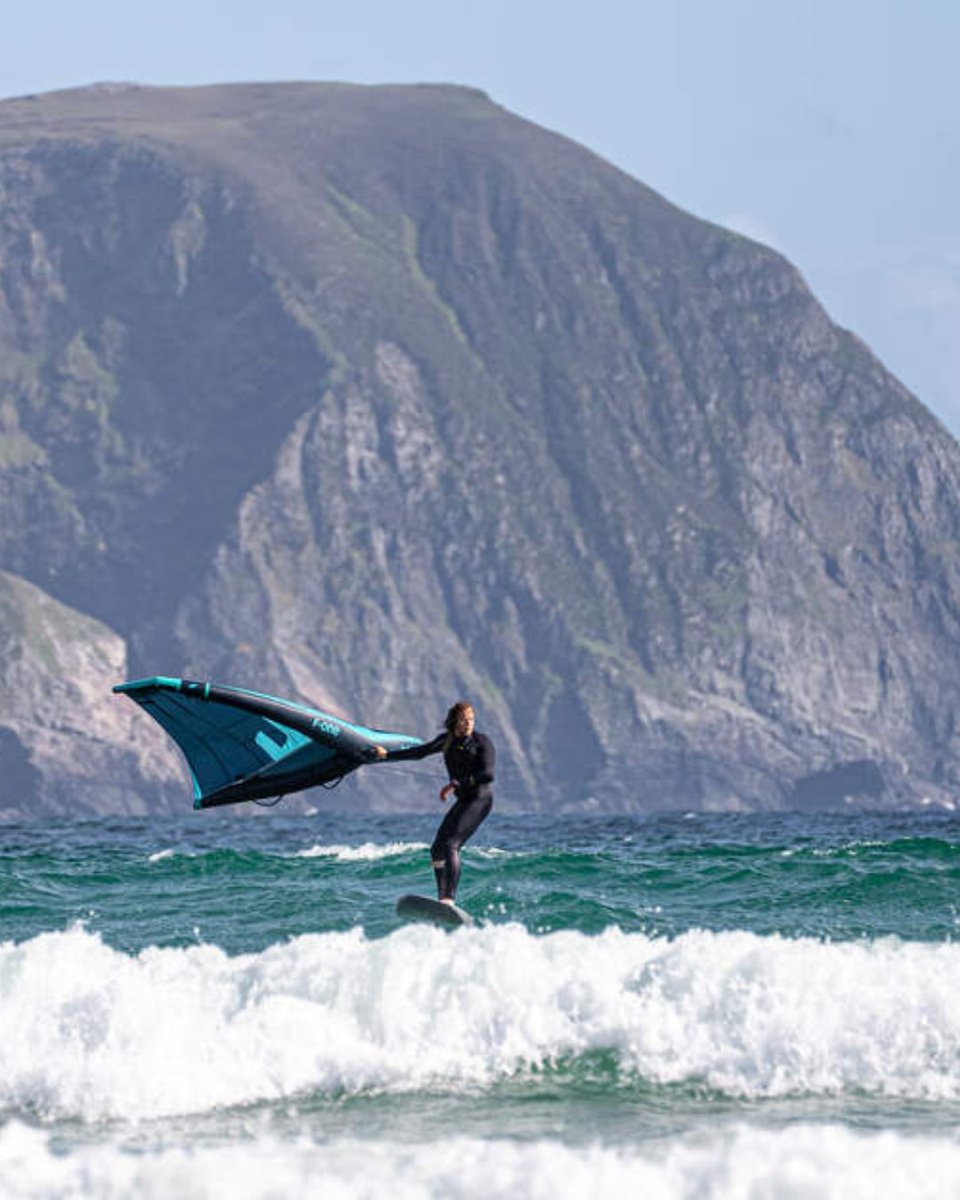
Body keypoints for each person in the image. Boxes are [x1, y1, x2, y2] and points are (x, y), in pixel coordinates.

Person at [386, 701, 494, 905]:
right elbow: (419, 752)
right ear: (454, 721)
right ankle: (442, 897)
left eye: (471, 719)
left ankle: (449, 899)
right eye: (464, 719)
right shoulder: (447, 741)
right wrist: (386, 755)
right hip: (464, 800)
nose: (468, 723)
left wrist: (457, 783)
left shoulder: (481, 742)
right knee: (436, 848)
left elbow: (487, 775)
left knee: (452, 844)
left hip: (480, 799)